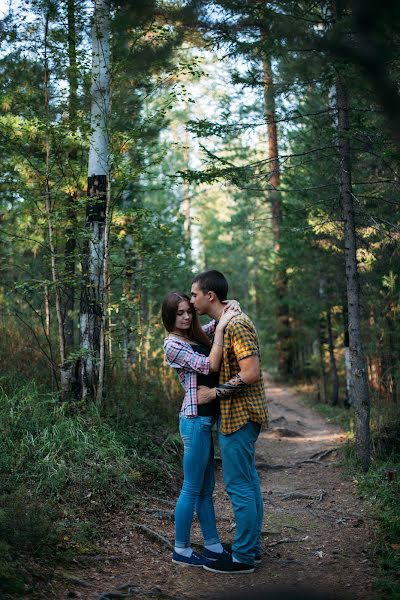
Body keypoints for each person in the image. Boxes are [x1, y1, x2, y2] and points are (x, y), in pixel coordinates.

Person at [190, 270, 268, 574]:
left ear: (210, 296)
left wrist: (213, 394)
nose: (192, 298)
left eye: (195, 294)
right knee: (247, 483)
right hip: (238, 414)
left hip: (240, 415)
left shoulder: (236, 324)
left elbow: (251, 373)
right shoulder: (228, 322)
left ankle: (243, 558)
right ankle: (251, 550)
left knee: (239, 486)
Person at [162, 291, 240, 568]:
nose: (185, 317)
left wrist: (230, 307)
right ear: (169, 316)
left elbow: (217, 323)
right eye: (178, 313)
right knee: (192, 487)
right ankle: (181, 549)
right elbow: (209, 363)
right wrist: (219, 331)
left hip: (206, 421)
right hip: (194, 420)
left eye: (188, 311)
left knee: (206, 488)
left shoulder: (194, 337)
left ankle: (213, 546)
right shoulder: (172, 344)